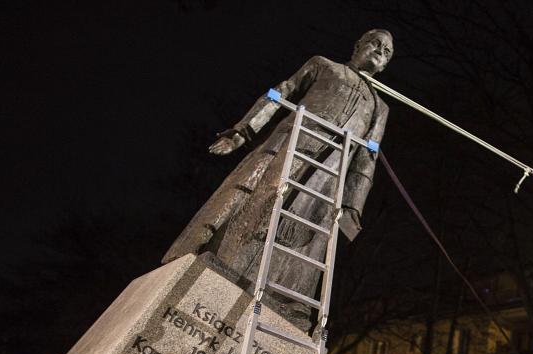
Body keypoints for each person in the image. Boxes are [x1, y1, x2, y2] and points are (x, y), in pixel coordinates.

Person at [162, 30, 393, 324]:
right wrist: (244, 130)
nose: (380, 52)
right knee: (256, 201)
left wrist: (353, 207)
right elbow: (280, 92)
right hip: (289, 146)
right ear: (358, 44)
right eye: (376, 44)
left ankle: (286, 298)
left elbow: (367, 158)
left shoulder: (380, 107)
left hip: (327, 175)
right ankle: (225, 260)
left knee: (306, 233)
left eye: (387, 52)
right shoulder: (323, 65)